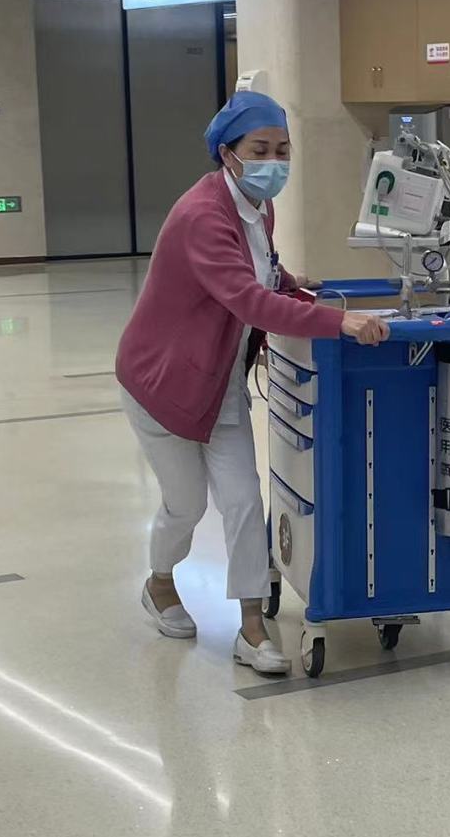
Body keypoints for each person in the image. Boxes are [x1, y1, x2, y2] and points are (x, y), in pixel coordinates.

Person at [116, 91, 388, 674]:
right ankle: (159, 583)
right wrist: (338, 321)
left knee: (243, 502)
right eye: (260, 150)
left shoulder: (256, 207)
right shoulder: (202, 215)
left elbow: (258, 267)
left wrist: (290, 280)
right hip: (162, 384)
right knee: (187, 505)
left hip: (220, 381)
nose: (274, 161)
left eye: (283, 149)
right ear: (227, 153)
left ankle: (252, 627)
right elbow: (247, 299)